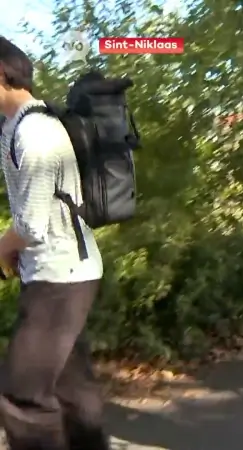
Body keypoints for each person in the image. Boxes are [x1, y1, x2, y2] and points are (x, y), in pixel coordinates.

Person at [0, 38, 109, 448]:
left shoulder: (37, 131)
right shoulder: (14, 126)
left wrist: (3, 247)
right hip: (59, 271)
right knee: (71, 390)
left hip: (61, 276)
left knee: (22, 394)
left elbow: (29, 224)